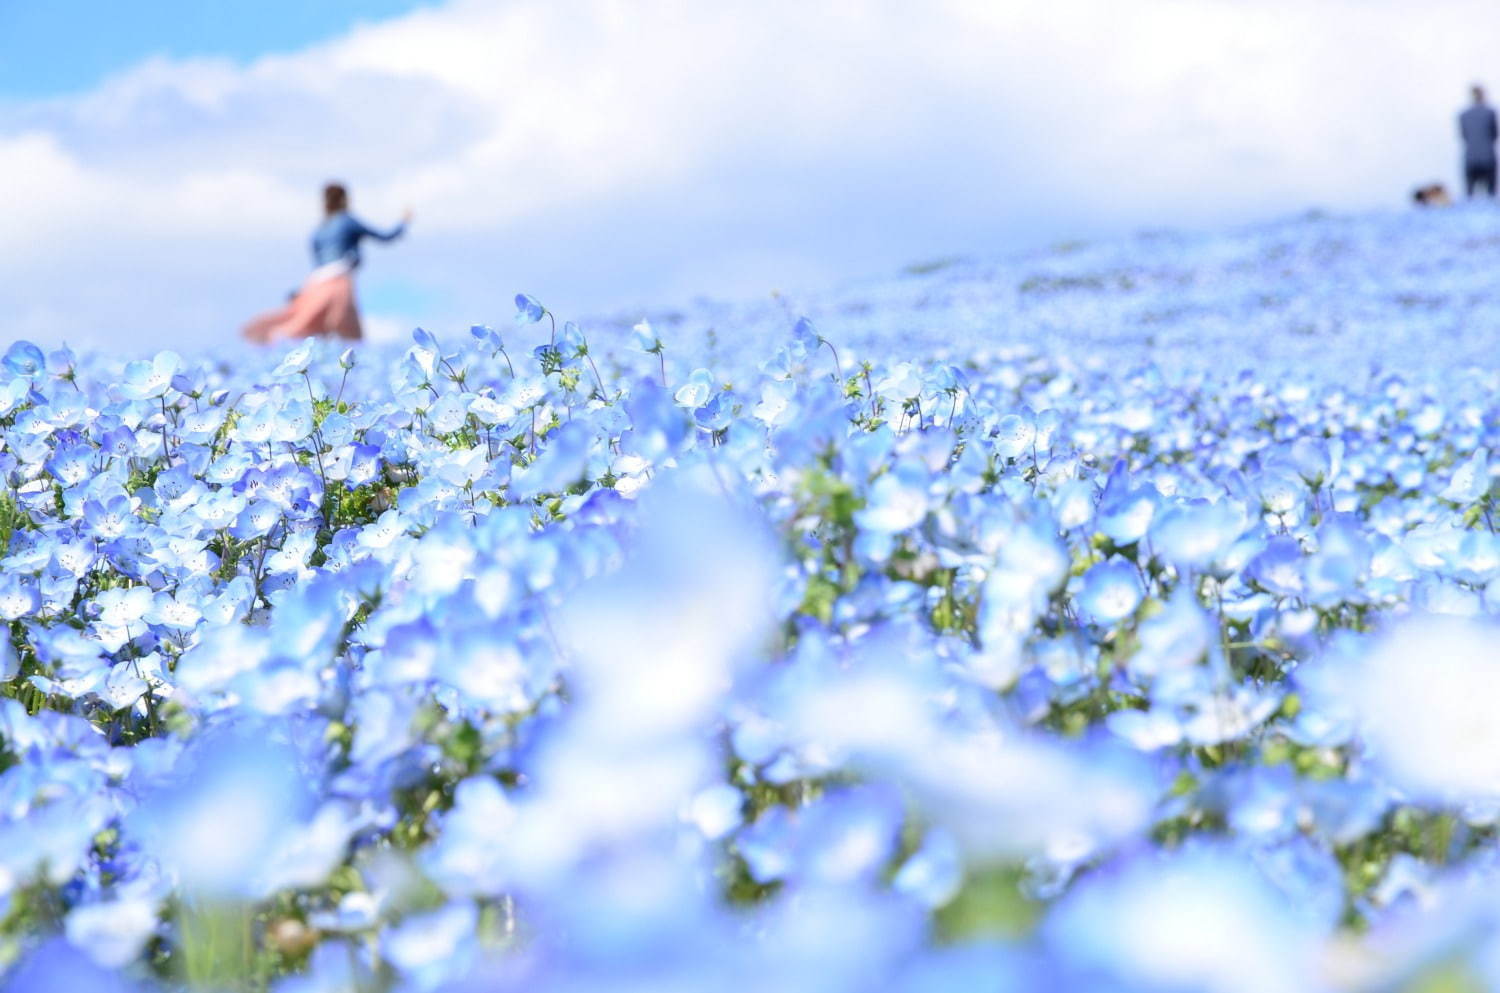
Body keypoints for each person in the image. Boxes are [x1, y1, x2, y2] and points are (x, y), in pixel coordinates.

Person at [243, 183, 411, 343]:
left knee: (306, 324)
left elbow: (317, 262)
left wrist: (303, 291)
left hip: (316, 284)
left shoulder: (319, 229)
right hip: (339, 281)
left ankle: (275, 340)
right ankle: (354, 367)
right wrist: (403, 222)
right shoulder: (348, 221)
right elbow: (385, 236)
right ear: (345, 199)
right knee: (345, 328)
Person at [1459, 85, 1498, 198]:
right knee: (1491, 195)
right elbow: (1494, 134)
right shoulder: (1490, 113)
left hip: (1470, 158)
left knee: (1470, 195)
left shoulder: (1464, 115)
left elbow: (1464, 136)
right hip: (1488, 158)